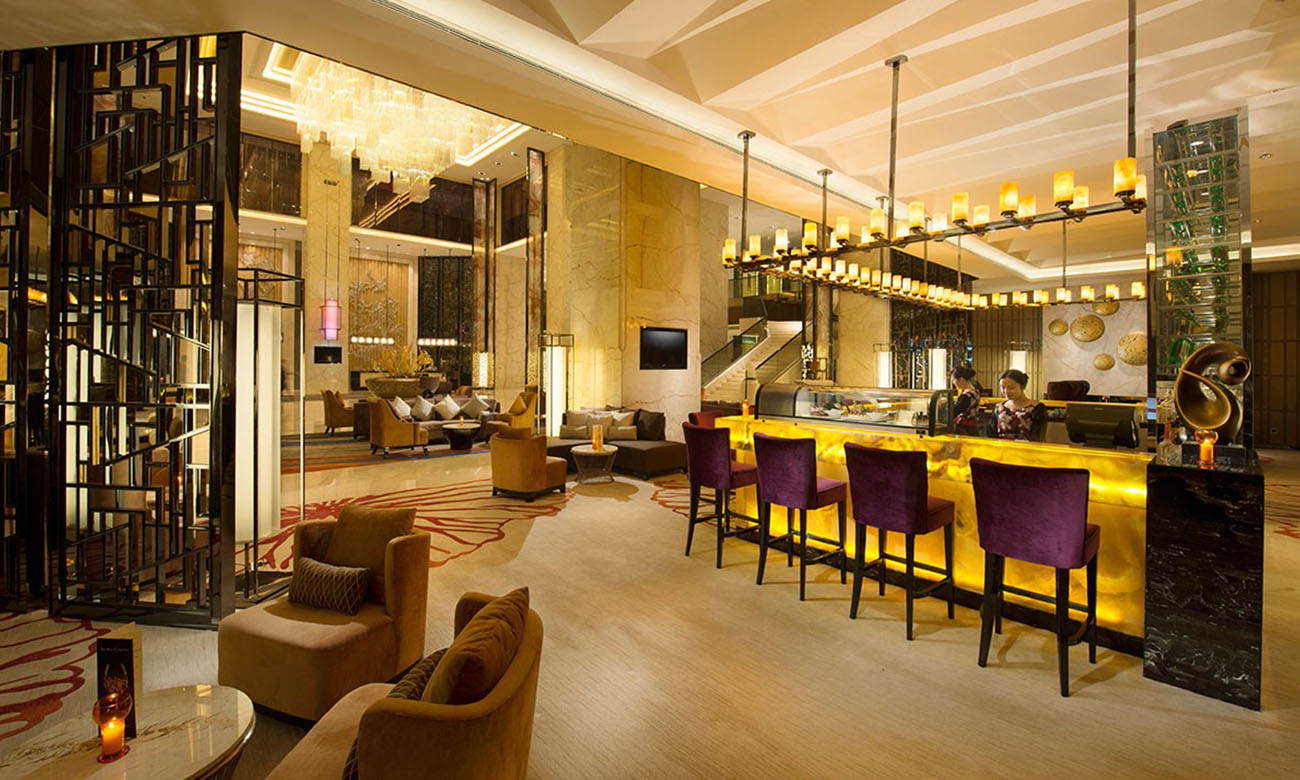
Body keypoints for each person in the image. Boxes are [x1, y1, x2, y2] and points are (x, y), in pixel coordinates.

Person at [989, 368, 1046, 441]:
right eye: (1003, 388)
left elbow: (1038, 436)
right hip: (1001, 446)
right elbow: (991, 434)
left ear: (1023, 386)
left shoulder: (1036, 408)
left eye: (1011, 388)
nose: (1006, 391)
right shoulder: (999, 408)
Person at [950, 366, 982, 435]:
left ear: (961, 379)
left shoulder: (966, 396)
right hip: (973, 428)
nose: (953, 383)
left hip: (965, 429)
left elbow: (955, 411)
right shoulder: (975, 391)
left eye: (953, 380)